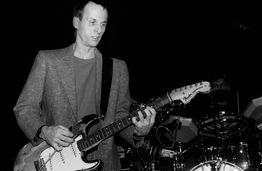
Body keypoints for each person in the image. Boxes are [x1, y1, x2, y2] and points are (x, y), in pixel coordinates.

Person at [13, 0, 156, 170]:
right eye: (92, 22)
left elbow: (120, 115)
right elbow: (24, 108)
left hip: (105, 164)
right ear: (76, 22)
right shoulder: (47, 60)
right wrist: (44, 131)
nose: (99, 30)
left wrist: (138, 131)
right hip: (55, 161)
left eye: (103, 24)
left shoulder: (117, 68)